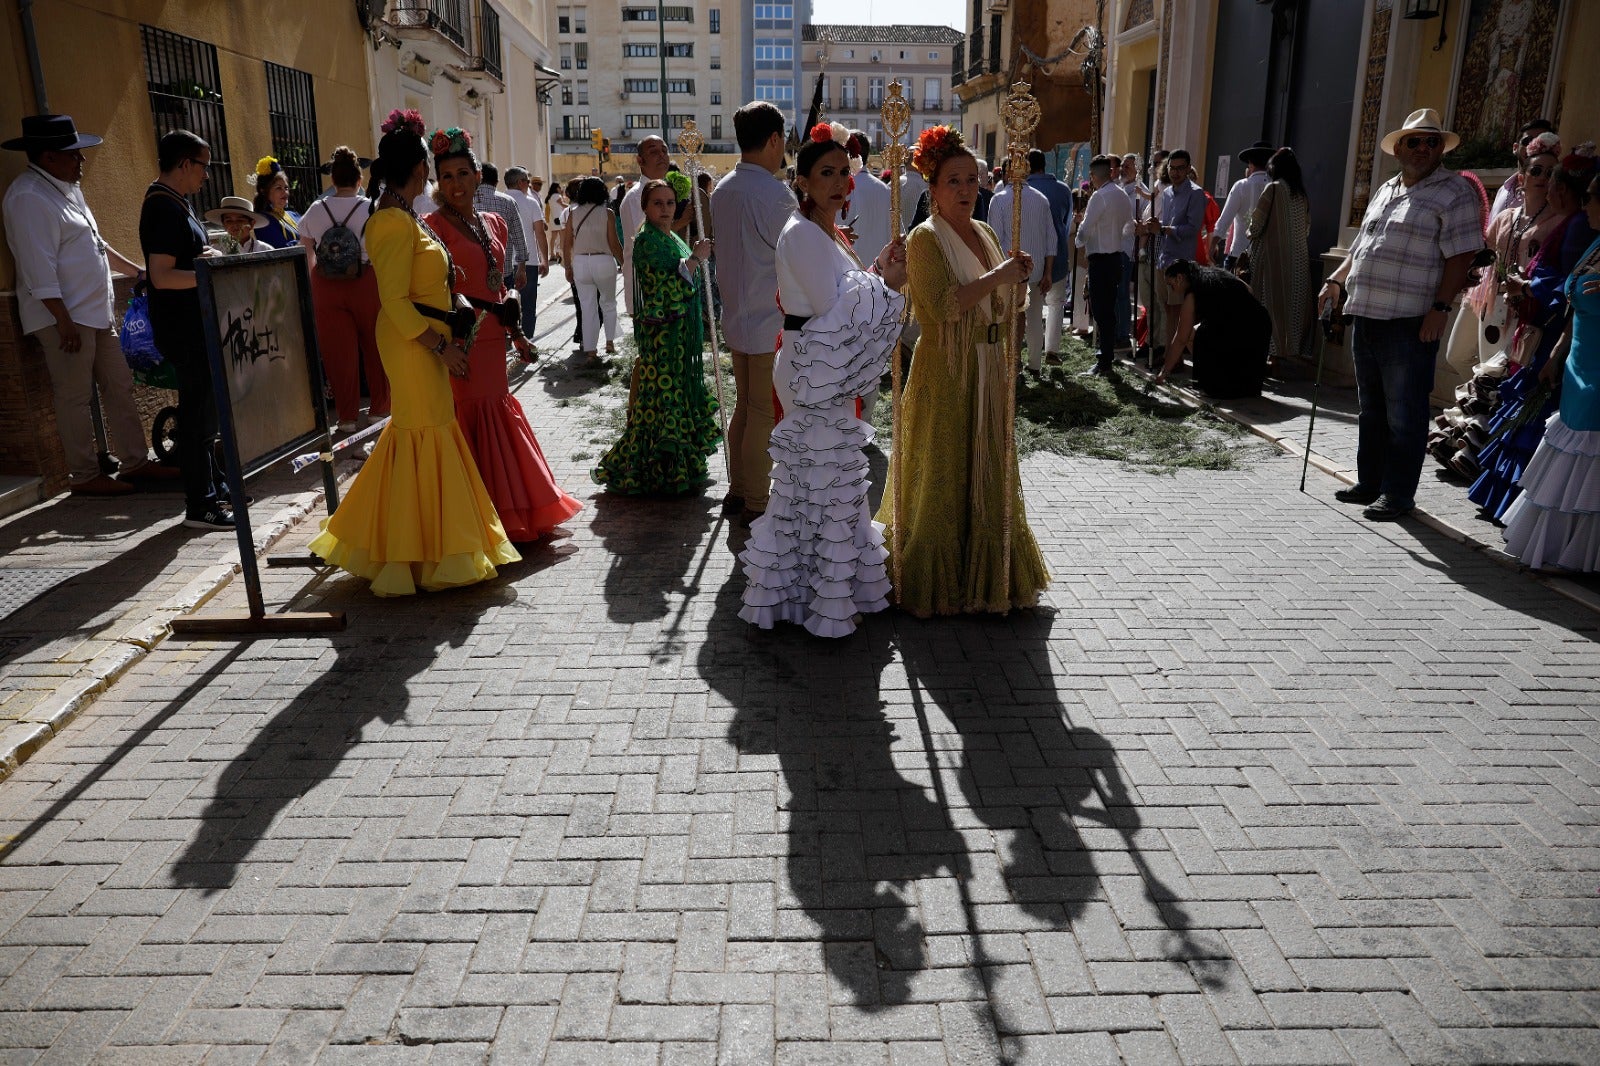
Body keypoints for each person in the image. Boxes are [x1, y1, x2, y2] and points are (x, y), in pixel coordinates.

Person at [307, 108, 519, 594]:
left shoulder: (404, 217)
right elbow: (395, 303)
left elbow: (434, 281)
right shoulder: (388, 223)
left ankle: (421, 545)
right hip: (411, 345)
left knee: (422, 437)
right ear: (422, 170)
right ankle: (413, 552)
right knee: (422, 435)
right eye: (430, 168)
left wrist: (458, 308)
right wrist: (441, 346)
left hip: (425, 340)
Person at [738, 123, 908, 637]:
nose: (838, 182)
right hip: (813, 367)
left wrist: (877, 270)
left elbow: (844, 293)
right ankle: (817, 597)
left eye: (843, 172)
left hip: (820, 366)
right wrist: (887, 285)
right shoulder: (802, 233)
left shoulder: (823, 232)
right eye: (826, 173)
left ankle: (824, 587)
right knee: (820, 479)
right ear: (803, 181)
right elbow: (834, 311)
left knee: (829, 478)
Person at [874, 125, 1049, 617]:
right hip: (946, 369)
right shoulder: (925, 239)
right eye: (953, 180)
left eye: (972, 179)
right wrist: (998, 276)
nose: (966, 190)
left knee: (988, 465)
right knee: (945, 469)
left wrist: (1018, 279)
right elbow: (943, 306)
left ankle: (989, 576)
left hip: (990, 367)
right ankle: (934, 581)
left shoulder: (988, 233)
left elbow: (1008, 303)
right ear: (932, 188)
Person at [1317, 108, 1484, 522]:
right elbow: (1361, 248)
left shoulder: (1454, 191)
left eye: (1432, 141)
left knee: (1405, 412)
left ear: (1441, 148)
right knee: (1371, 408)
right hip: (1367, 315)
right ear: (1399, 149)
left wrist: (1441, 309)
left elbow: (1462, 255)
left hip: (1410, 320)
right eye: (1415, 141)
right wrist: (1336, 280)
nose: (1424, 148)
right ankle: (1369, 482)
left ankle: (1398, 493)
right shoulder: (1387, 188)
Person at [2, 113, 177, 496]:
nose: (81, 161)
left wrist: (135, 271)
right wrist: (62, 320)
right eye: (73, 154)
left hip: (96, 313)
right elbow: (36, 266)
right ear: (48, 156)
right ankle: (83, 475)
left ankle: (136, 463)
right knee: (75, 397)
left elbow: (97, 242)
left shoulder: (66, 187)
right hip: (64, 317)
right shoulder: (28, 197)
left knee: (119, 386)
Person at [424, 127, 582, 544]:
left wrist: (516, 328)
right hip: (462, 341)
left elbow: (504, 280)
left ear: (478, 176)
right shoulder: (430, 226)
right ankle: (472, 521)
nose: (456, 184)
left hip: (496, 338)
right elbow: (430, 288)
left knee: (497, 412)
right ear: (437, 183)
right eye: (446, 177)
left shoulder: (494, 220)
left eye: (462, 173)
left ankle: (507, 512)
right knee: (471, 419)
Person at [1469, 163, 1596, 518]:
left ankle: (1513, 501)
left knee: (1532, 411)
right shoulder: (1573, 225)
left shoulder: (1576, 227)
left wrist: (1526, 286)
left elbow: (1565, 284)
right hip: (1542, 328)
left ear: (1562, 191)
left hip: (1553, 334)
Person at [591, 178, 719, 494]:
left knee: (672, 396)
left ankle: (676, 469)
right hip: (662, 337)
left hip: (677, 337)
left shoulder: (668, 236)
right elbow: (662, 289)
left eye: (670, 203)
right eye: (658, 204)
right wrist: (695, 259)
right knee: (662, 398)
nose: (665, 209)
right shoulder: (647, 241)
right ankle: (648, 470)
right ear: (645, 207)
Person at [1501, 171, 1600, 570]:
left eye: (1592, 199)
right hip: (1578, 366)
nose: (1586, 205)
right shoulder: (1594, 243)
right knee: (1573, 450)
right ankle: (1563, 548)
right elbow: (1575, 307)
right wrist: (1557, 355)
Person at [140, 129, 232, 529]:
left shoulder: (177, 203)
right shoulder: (161, 207)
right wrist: (203, 268)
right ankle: (201, 505)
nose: (206, 176)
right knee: (195, 419)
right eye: (203, 167)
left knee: (206, 416)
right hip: (183, 329)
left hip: (196, 325)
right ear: (183, 164)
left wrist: (202, 258)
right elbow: (161, 276)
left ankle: (215, 489)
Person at [710, 101, 794, 525]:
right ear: (775, 139)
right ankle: (757, 500)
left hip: (738, 316)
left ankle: (740, 489)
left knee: (746, 407)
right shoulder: (775, 193)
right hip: (767, 319)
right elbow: (793, 250)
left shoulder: (722, 189)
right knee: (760, 411)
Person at [297, 146, 388, 432]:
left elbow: (306, 249)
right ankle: (379, 408)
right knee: (375, 347)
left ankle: (347, 417)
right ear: (359, 180)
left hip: (327, 285)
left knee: (338, 353)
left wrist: (315, 283)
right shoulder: (371, 206)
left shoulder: (316, 209)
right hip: (366, 280)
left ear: (333, 180)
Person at [1154, 259, 1271, 398]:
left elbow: (1181, 338)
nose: (1171, 290)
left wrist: (1164, 371)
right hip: (1261, 322)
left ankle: (1216, 380)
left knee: (1199, 334)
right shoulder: (1215, 273)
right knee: (1206, 330)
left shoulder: (1191, 295)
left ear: (1179, 278)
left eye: (1171, 285)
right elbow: (1249, 289)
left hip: (1241, 329)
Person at [1246, 146, 1312, 366]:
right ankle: (1288, 351)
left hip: (1273, 261)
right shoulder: (1301, 195)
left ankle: (1271, 355)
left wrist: (1249, 232)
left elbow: (1255, 227)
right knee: (1292, 307)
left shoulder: (1273, 189)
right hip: (1299, 262)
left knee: (1269, 306)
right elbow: (1306, 229)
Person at [1137, 149, 1205, 357]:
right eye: (1172, 168)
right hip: (1164, 257)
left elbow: (1193, 228)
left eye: (1180, 168)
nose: (1175, 173)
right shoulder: (1165, 193)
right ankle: (1167, 353)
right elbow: (1165, 225)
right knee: (1166, 309)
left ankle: (1174, 356)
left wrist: (1165, 230)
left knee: (1178, 312)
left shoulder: (1195, 193)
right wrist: (1152, 227)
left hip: (1181, 261)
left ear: (1187, 168)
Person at [989, 166, 1057, 371]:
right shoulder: (1041, 199)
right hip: (1033, 271)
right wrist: (1047, 272)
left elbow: (994, 240)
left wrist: (996, 274)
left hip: (1008, 271)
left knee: (1009, 318)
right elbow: (1050, 240)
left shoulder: (999, 199)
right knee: (1034, 316)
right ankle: (1033, 363)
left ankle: (1012, 361)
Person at [1076, 154, 1135, 376]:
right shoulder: (1120, 195)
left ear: (1093, 176)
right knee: (1107, 309)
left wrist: (1078, 240)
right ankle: (1106, 356)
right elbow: (1130, 226)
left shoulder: (1099, 197)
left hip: (1101, 259)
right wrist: (1116, 237)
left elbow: (1085, 228)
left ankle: (1104, 360)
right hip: (1115, 257)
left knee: (1102, 312)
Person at [562, 175, 625, 362]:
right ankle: (610, 342)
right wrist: (624, 263)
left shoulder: (573, 213)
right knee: (608, 302)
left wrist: (567, 266)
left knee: (587, 306)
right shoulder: (607, 213)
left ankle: (590, 350)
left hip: (581, 262)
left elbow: (566, 244)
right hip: (604, 261)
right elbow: (614, 244)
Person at [1027, 149, 1074, 360]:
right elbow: (1066, 223)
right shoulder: (1063, 190)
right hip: (1058, 255)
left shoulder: (1023, 189)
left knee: (1030, 306)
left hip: (1030, 256)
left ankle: (1031, 353)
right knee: (1056, 303)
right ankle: (1052, 350)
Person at [620, 135, 672, 315]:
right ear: (640, 160)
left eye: (664, 151)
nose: (661, 156)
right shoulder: (637, 196)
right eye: (654, 152)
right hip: (648, 287)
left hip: (668, 286)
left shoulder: (665, 191)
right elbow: (648, 240)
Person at [503, 166, 551, 346]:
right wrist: (544, 260)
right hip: (528, 261)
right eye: (528, 181)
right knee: (528, 306)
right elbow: (540, 233)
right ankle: (527, 343)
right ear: (521, 182)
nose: (529, 185)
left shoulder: (500, 200)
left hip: (504, 262)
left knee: (505, 304)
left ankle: (507, 341)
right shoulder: (530, 202)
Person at [1212, 141, 1272, 272]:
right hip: (1268, 258)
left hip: (1240, 256)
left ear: (1250, 164)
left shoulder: (1242, 186)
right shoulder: (1277, 187)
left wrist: (1212, 246)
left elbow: (1224, 221)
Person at [472, 162, 529, 296]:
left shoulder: (466, 199)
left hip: (473, 272)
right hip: (503, 271)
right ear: (497, 182)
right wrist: (521, 268)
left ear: (477, 177)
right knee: (504, 313)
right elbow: (518, 237)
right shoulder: (508, 201)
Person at [1491, 118, 1555, 220]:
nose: (1533, 146)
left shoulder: (1551, 192)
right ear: (1515, 148)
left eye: (1541, 142)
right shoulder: (1503, 190)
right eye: (1527, 141)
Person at [251, 156, 300, 248]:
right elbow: (280, 249)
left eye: (286, 188)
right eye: (278, 188)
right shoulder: (263, 221)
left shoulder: (294, 215)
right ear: (264, 191)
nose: (285, 192)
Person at [205, 196, 272, 254]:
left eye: (240, 220)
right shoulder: (216, 251)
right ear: (224, 225)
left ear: (252, 224)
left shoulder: (265, 249)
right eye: (229, 221)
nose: (234, 225)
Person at [544, 181, 568, 264]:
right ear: (556, 188)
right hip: (559, 218)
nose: (560, 189)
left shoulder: (551, 196)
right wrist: (571, 207)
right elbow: (562, 204)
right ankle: (559, 254)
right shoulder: (557, 196)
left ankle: (553, 254)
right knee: (561, 237)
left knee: (553, 237)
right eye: (559, 187)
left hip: (553, 218)